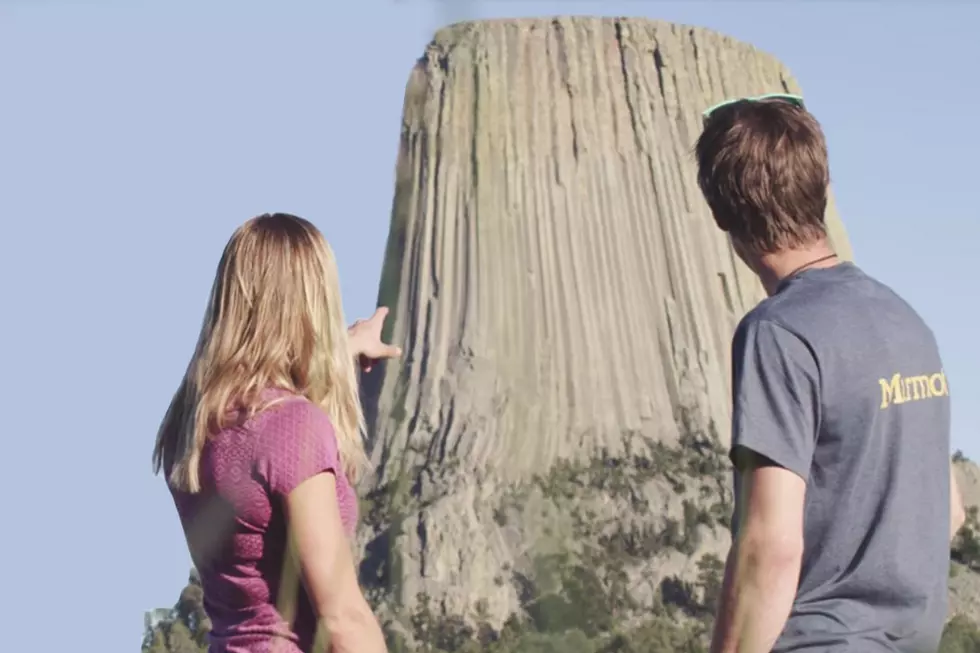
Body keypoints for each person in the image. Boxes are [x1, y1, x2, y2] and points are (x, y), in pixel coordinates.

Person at [694, 95, 967, 653]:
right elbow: (950, 512)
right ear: (821, 187)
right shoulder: (904, 319)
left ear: (721, 213)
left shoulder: (779, 332)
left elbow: (769, 546)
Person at [152, 213, 401, 653]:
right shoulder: (292, 425)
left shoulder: (194, 421)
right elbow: (342, 618)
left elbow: (259, 443)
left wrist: (341, 351)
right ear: (313, 303)